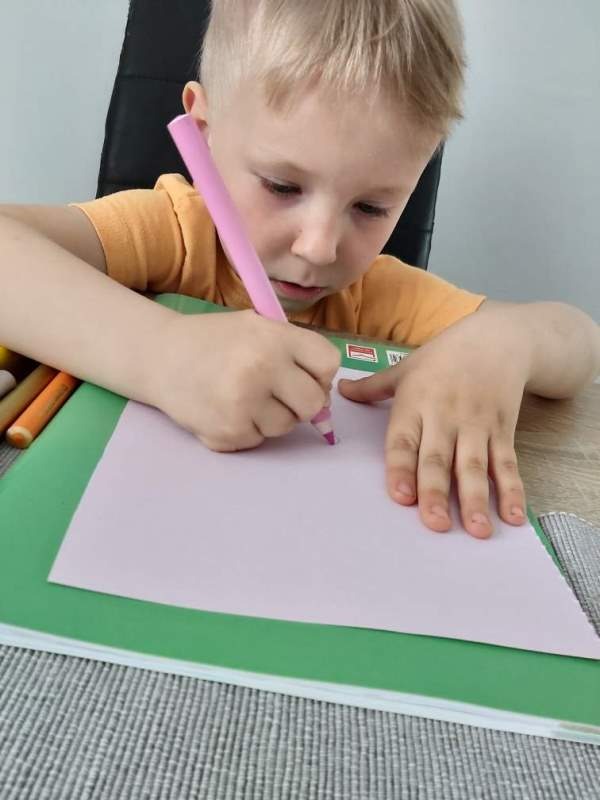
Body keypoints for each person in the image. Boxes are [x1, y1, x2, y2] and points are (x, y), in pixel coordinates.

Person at [0, 0, 598, 539]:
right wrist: (163, 354)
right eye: (283, 186)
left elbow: (579, 343)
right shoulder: (174, 234)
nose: (319, 248)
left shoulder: (375, 295)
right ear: (203, 133)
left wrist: (504, 342)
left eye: (371, 207)